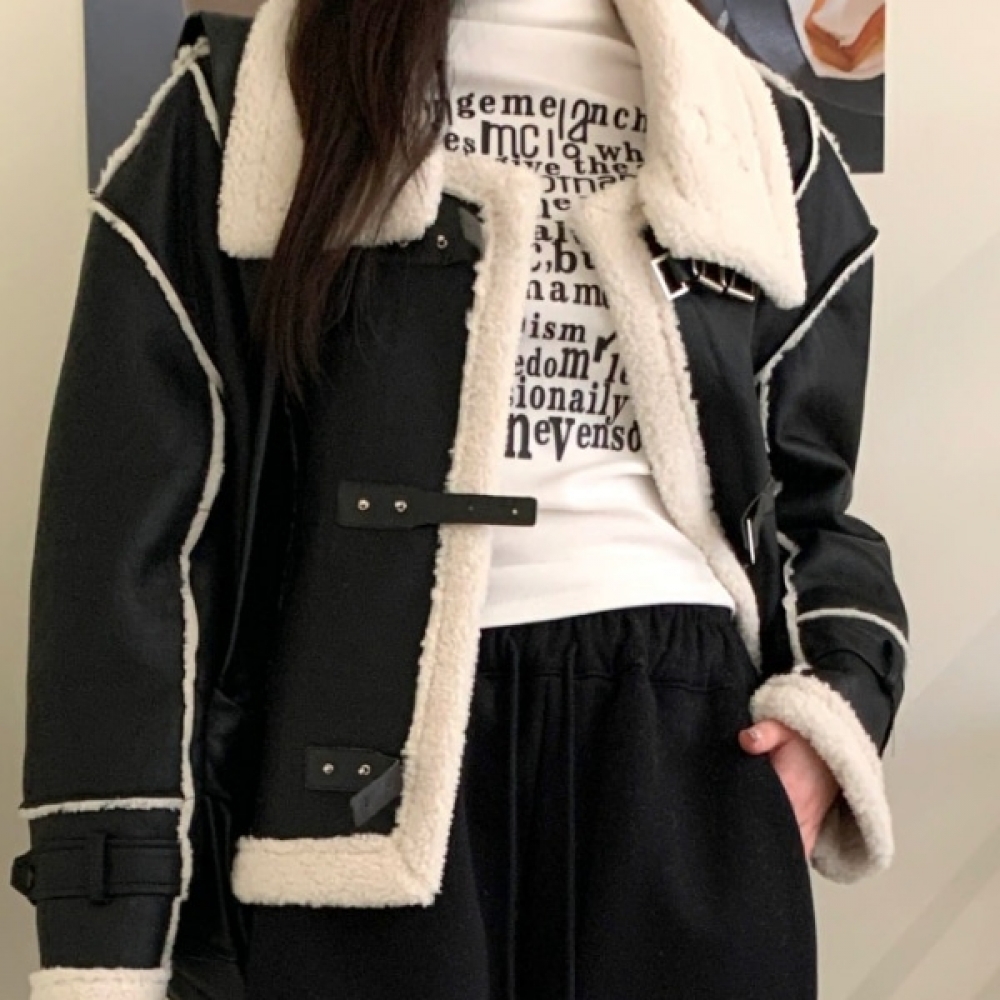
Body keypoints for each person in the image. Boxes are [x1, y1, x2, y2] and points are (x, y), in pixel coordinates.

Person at [9, 0, 909, 998]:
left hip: (688, 761)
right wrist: (107, 932)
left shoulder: (758, 127)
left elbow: (812, 510)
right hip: (359, 784)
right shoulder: (251, 99)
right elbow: (127, 550)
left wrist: (834, 714)